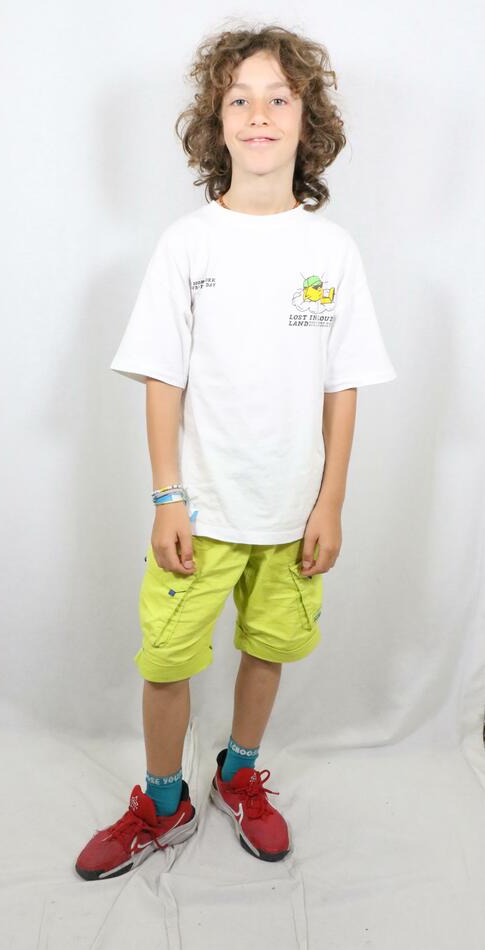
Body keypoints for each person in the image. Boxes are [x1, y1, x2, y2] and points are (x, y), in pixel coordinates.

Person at [75, 23, 397, 880]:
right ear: (215, 125)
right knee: (166, 658)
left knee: (269, 646)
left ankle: (237, 773)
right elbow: (162, 379)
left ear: (306, 121)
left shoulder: (331, 251)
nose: (259, 114)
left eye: (278, 99)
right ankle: (162, 801)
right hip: (201, 509)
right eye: (239, 100)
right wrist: (166, 498)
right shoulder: (188, 244)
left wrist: (329, 502)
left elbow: (342, 386)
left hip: (292, 514)